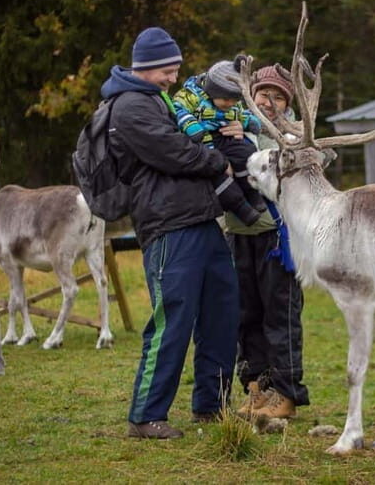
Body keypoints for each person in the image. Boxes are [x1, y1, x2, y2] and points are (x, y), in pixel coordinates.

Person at [100, 26, 240, 439]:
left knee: (222, 311)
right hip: (167, 227)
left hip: (200, 218)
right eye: (168, 70)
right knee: (173, 319)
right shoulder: (128, 107)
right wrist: (216, 160)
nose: (174, 78)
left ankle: (212, 406)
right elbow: (173, 151)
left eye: (177, 70)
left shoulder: (159, 100)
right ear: (147, 67)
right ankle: (146, 416)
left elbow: (185, 144)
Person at [227, 65, 309, 420]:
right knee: (247, 315)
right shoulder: (230, 123)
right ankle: (257, 388)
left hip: (280, 239)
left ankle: (286, 393)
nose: (270, 102)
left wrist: (247, 134)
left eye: (279, 97)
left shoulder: (295, 135)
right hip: (240, 233)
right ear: (251, 95)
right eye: (264, 95)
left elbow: (276, 164)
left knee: (280, 315)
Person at [173, 57, 266, 226]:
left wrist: (250, 122)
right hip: (204, 140)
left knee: (247, 151)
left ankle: (252, 193)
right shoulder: (191, 95)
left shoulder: (231, 105)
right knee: (217, 175)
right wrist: (192, 126)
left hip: (225, 135)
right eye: (225, 99)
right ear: (212, 90)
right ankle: (241, 208)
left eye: (234, 100)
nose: (229, 104)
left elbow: (240, 114)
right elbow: (178, 109)